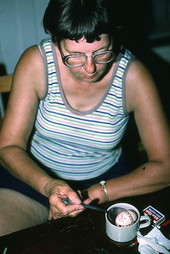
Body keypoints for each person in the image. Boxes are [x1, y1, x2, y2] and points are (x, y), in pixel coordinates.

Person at [0, 0, 170, 236]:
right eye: (75, 56)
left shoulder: (133, 77)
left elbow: (166, 166)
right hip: (34, 178)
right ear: (56, 42)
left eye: (102, 53)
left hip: (106, 184)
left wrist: (99, 192)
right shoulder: (36, 63)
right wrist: (49, 186)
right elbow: (8, 146)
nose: (90, 68)